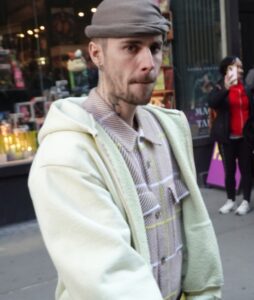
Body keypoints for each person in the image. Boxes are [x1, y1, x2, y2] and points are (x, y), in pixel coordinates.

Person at [28, 1, 223, 299]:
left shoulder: (170, 129)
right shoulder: (65, 156)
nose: (148, 63)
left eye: (155, 48)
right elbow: (110, 281)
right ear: (96, 54)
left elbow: (195, 234)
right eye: (131, 47)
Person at [208, 56, 253, 215]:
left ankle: (246, 201)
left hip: (245, 138)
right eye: (235, 67)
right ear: (227, 70)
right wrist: (226, 88)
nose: (240, 70)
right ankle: (230, 200)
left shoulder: (246, 88)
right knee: (229, 171)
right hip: (227, 137)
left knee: (246, 170)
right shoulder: (220, 87)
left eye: (241, 67)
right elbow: (212, 102)